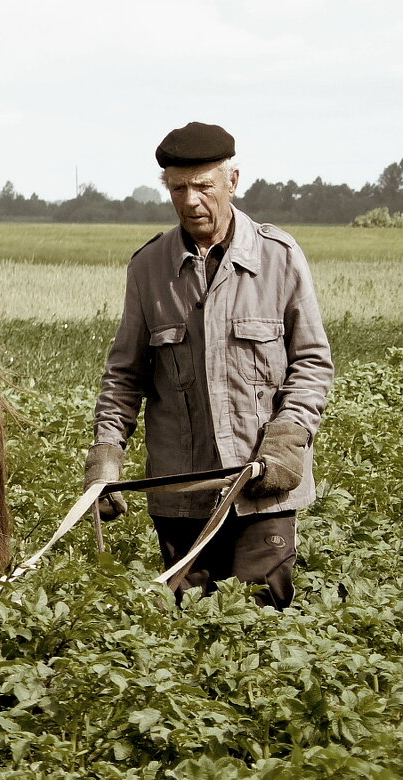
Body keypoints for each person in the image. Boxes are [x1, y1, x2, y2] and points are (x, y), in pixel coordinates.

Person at [85, 121, 334, 608]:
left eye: (203, 186)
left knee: (263, 626)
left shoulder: (279, 257)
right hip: (182, 493)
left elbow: (312, 362)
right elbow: (124, 375)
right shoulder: (149, 268)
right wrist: (106, 454)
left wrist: (288, 439)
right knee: (188, 637)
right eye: (179, 188)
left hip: (263, 488)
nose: (191, 200)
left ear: (232, 182)